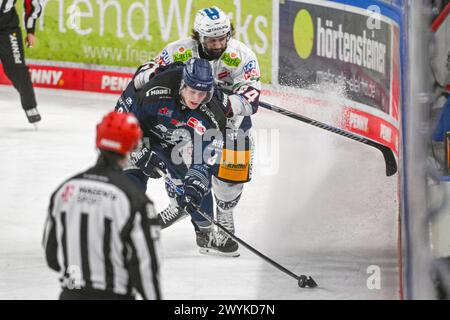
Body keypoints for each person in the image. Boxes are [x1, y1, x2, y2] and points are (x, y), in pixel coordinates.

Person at [129, 6, 261, 257]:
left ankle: (225, 217)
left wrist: (224, 102)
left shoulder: (242, 56)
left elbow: (251, 99)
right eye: (212, 39)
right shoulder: (178, 51)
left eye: (224, 37)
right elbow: (146, 74)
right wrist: (157, 74)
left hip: (231, 124)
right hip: (186, 120)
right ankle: (179, 205)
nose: (219, 43)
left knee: (230, 180)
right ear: (199, 36)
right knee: (178, 164)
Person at [116, 57, 231, 256]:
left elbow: (203, 160)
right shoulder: (156, 91)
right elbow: (125, 123)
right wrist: (139, 151)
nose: (196, 97)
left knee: (193, 187)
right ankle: (123, 229)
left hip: (179, 140)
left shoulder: (214, 115)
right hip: (144, 133)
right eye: (192, 91)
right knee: (130, 174)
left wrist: (194, 189)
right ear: (182, 85)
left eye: (202, 93)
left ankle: (204, 231)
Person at [42, 111, 162, 300]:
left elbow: (53, 257)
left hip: (70, 294)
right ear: (132, 146)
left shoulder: (65, 190)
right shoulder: (135, 200)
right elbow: (146, 268)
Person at [0, 0, 42, 124]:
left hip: (7, 25)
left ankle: (30, 106)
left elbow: (31, 4)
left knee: (17, 68)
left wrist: (30, 31)